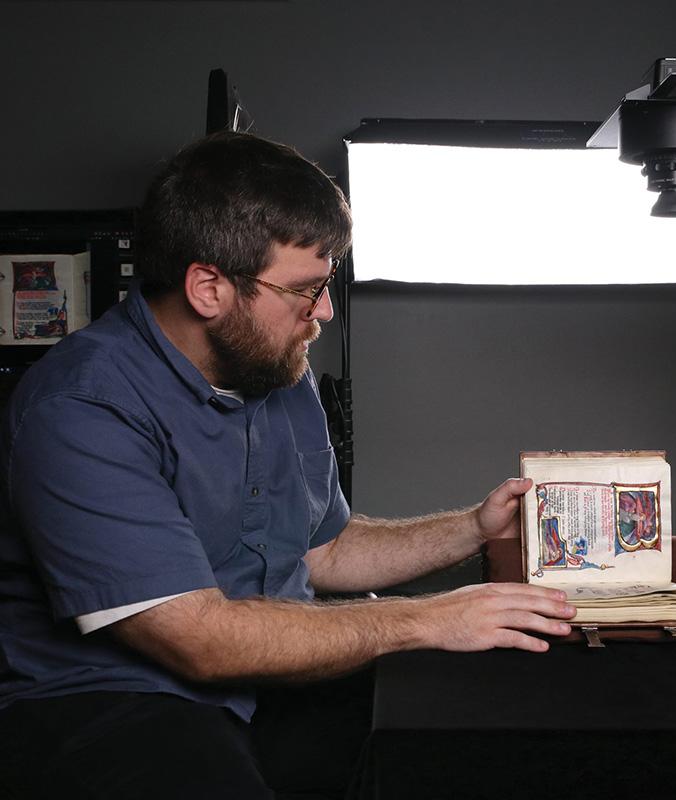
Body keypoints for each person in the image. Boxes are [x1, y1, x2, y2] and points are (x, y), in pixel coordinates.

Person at [0, 131, 576, 799]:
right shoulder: (80, 407)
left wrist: (474, 530)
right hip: (110, 699)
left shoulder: (273, 366)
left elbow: (321, 551)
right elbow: (200, 642)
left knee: (478, 719)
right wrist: (427, 618)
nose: (324, 312)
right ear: (209, 288)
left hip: (267, 676)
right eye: (306, 290)